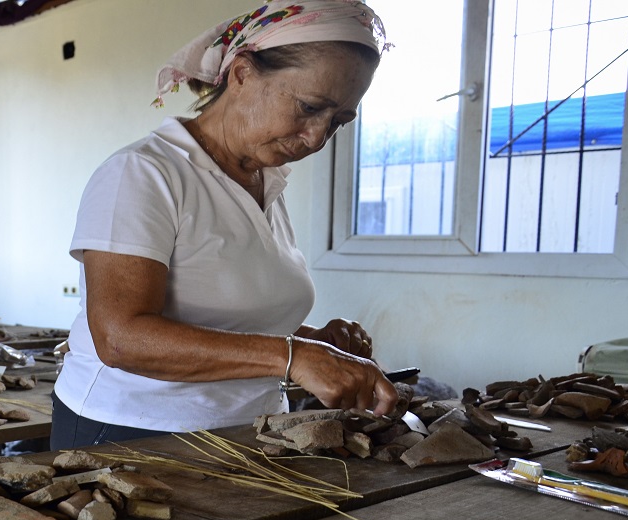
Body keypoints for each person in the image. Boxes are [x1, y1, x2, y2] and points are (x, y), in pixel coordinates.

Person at [52, 0, 400, 450]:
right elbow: (120, 338)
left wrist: (319, 344)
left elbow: (226, 314)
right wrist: (294, 357)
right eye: (310, 107)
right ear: (241, 74)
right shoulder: (143, 173)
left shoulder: (264, 180)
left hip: (248, 430)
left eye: (338, 121)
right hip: (131, 432)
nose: (317, 136)